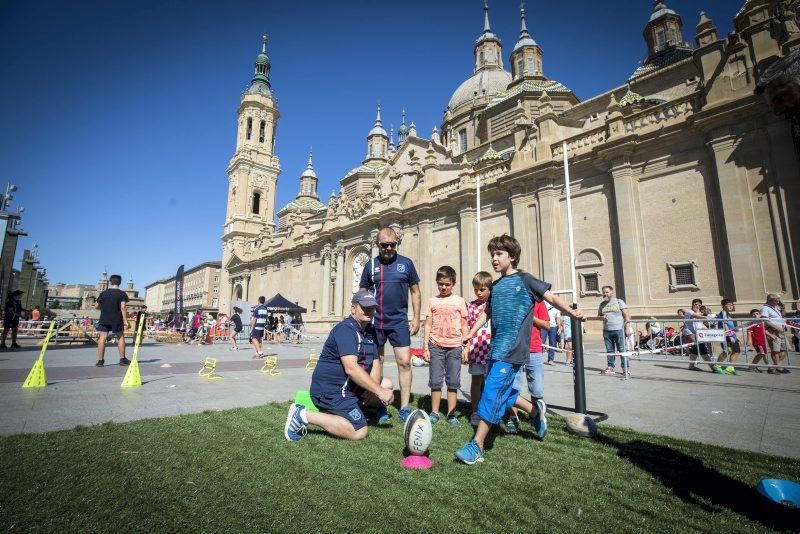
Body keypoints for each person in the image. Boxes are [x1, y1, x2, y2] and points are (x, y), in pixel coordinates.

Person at [455, 234, 585, 464]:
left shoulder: (526, 280)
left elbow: (551, 297)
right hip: (495, 349)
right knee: (504, 394)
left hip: (514, 350)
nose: (494, 259)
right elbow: (487, 313)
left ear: (512, 256)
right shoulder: (495, 286)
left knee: (492, 392)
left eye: (499, 254)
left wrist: (572, 313)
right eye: (492, 254)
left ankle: (477, 445)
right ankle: (535, 413)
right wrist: (471, 332)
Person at [284, 290, 394, 442]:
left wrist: (373, 390)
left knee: (387, 384)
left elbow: (375, 363)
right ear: (353, 309)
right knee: (359, 431)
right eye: (365, 307)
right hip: (331, 389)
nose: (369, 311)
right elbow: (351, 368)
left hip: (349, 387)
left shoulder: (369, 331)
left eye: (372, 308)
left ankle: (357, 408)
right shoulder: (346, 329)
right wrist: (378, 391)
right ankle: (303, 415)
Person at [359, 226, 422, 422]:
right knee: (377, 364)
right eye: (384, 245)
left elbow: (415, 291)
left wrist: (417, 317)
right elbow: (362, 293)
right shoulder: (370, 266)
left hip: (399, 322)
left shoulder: (407, 264)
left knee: (404, 362)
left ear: (397, 243)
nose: (388, 248)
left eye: (392, 245)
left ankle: (404, 407)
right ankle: (378, 405)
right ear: (377, 244)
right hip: (376, 322)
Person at [422, 266, 468, 426]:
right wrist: (425, 347)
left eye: (447, 284)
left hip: (455, 346)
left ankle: (451, 414)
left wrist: (466, 347)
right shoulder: (432, 301)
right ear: (437, 283)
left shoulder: (459, 301)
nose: (443, 287)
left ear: (453, 283)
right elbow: (427, 325)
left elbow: (464, 325)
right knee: (435, 380)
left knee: (453, 381)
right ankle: (434, 412)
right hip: (435, 345)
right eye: (440, 284)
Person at [507, 298, 551, 434]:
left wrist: (529, 316)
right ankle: (513, 417)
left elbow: (547, 325)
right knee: (512, 387)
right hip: (514, 350)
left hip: (534, 350)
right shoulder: (511, 299)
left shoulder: (538, 302)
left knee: (537, 389)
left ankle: (538, 417)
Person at [464, 271, 492, 428]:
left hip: (493, 350)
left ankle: (489, 412)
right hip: (477, 349)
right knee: (476, 381)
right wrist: (467, 347)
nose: (479, 293)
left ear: (489, 289)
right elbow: (467, 327)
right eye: (476, 289)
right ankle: (475, 411)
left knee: (491, 383)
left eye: (482, 289)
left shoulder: (495, 305)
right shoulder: (471, 306)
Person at [95, 275, 130, 367]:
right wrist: (125, 320)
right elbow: (123, 308)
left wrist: (103, 306)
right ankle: (122, 359)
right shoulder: (122, 294)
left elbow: (96, 306)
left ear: (110, 282)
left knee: (102, 338)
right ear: (120, 282)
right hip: (117, 318)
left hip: (104, 318)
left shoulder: (103, 293)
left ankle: (100, 361)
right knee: (120, 337)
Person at [598, 285, 631, 375]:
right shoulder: (602, 304)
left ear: (611, 292)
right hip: (607, 330)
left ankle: (625, 368)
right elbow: (599, 316)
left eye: (607, 292)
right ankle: (610, 367)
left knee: (622, 349)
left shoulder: (619, 301)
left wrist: (627, 327)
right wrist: (601, 317)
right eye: (603, 292)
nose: (605, 294)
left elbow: (627, 315)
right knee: (609, 350)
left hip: (618, 329)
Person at [760, 293, 790, 374]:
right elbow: (764, 320)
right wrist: (776, 327)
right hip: (772, 331)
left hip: (780, 331)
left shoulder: (776, 308)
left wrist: (783, 307)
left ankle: (775, 366)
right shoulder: (765, 308)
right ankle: (778, 367)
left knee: (785, 349)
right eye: (776, 300)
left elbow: (783, 315)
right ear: (770, 300)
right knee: (775, 350)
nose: (778, 302)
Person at [714, 299, 741, 376]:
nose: (731, 306)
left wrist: (736, 336)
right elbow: (724, 324)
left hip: (732, 336)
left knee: (736, 351)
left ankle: (730, 367)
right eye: (729, 304)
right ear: (723, 305)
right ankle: (717, 365)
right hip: (727, 336)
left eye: (732, 304)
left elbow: (731, 327)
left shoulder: (728, 314)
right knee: (727, 351)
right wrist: (729, 336)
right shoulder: (723, 313)